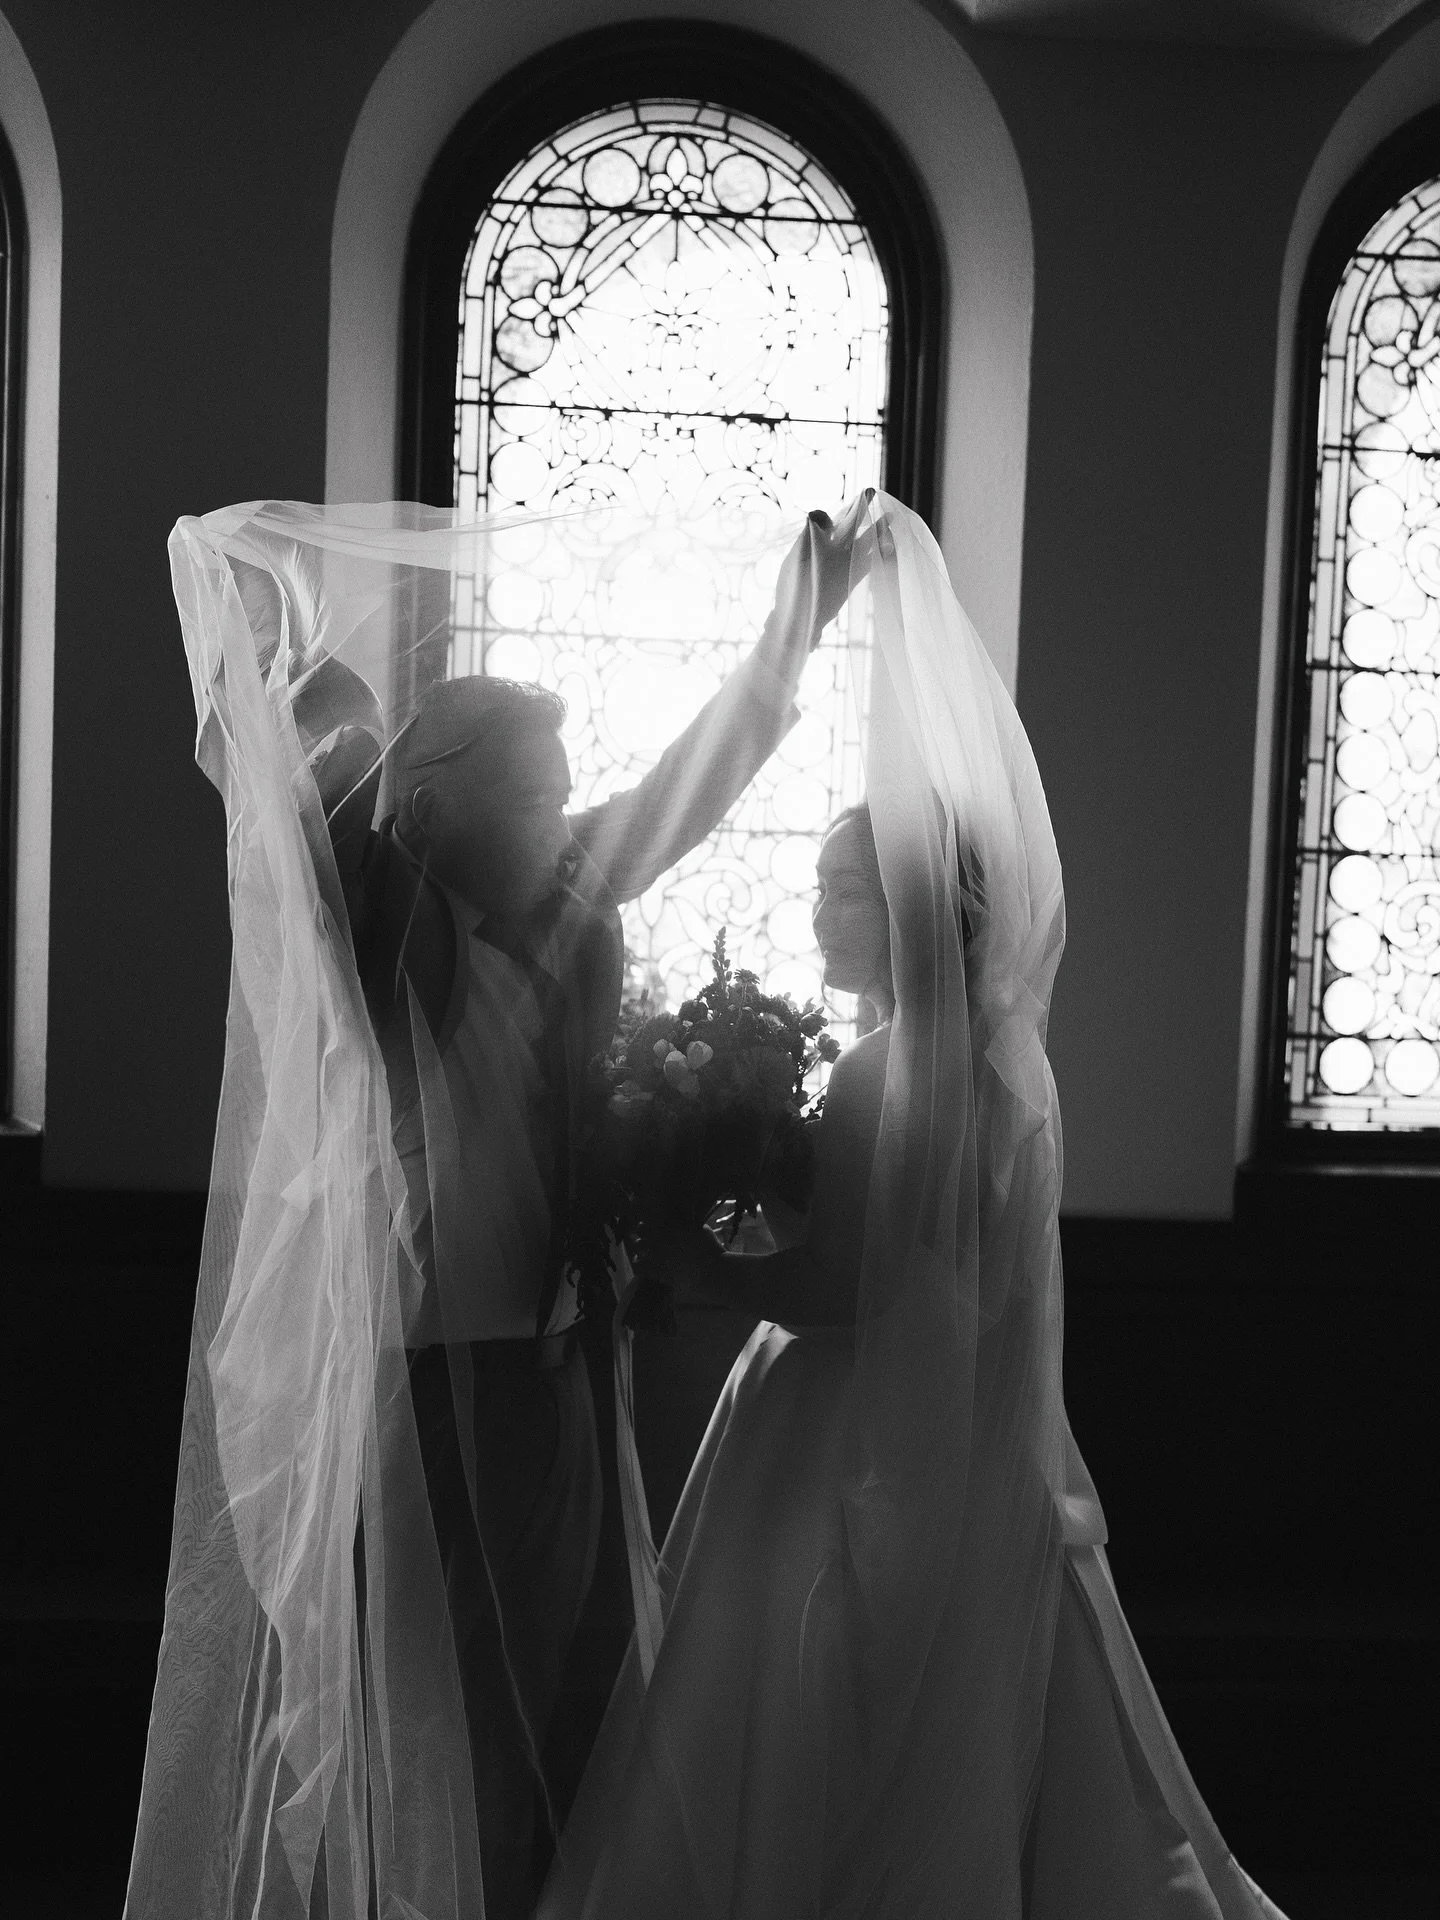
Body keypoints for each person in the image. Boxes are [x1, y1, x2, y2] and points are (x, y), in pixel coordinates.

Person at [537, 501, 1290, 1919]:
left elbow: (839, 1291)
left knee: (797, 1704)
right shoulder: (996, 1060)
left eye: (840, 891)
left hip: (859, 1433)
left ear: (901, 906)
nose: (820, 915)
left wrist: (691, 1246)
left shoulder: (895, 1069)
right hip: (969, 1437)